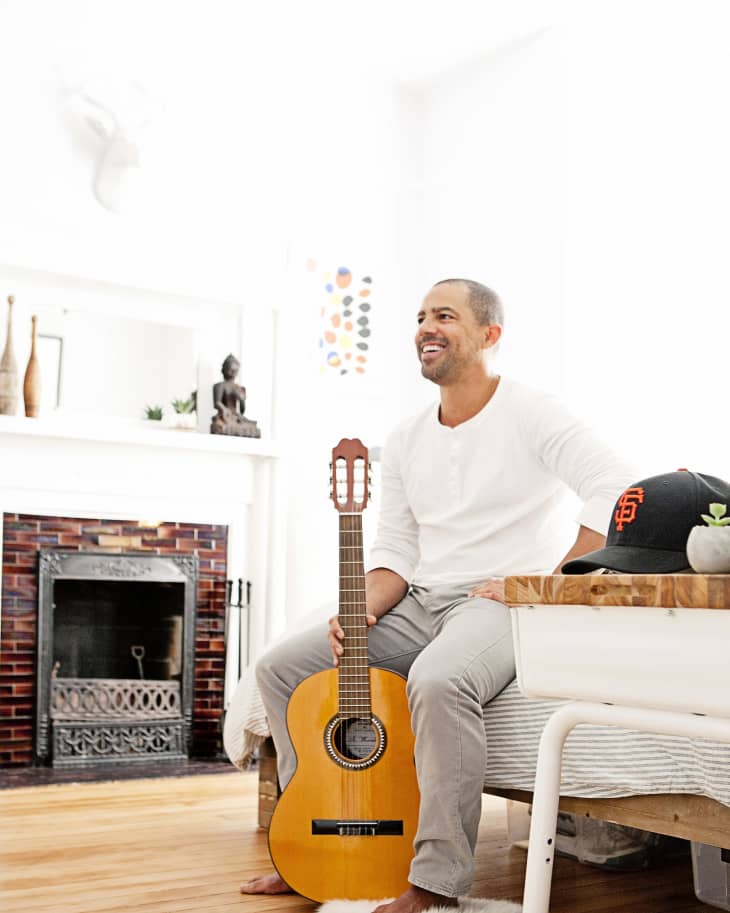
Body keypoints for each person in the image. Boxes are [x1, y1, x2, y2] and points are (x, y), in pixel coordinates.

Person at [241, 278, 635, 913]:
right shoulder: (403, 439)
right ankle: (306, 848)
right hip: (420, 600)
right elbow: (396, 551)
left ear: (489, 335)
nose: (426, 327)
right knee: (280, 667)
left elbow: (614, 483)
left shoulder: (533, 411)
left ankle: (435, 884)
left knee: (439, 681)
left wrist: (551, 584)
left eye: (444, 316)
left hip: (501, 604)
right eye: (421, 316)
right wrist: (361, 607)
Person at [210, 353, 260, 438]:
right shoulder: (220, 386)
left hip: (235, 415)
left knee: (251, 425)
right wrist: (224, 409)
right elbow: (217, 403)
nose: (233, 373)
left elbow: (242, 410)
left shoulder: (238, 387)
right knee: (223, 425)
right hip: (224, 414)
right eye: (231, 370)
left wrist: (242, 399)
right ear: (224, 370)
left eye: (235, 371)